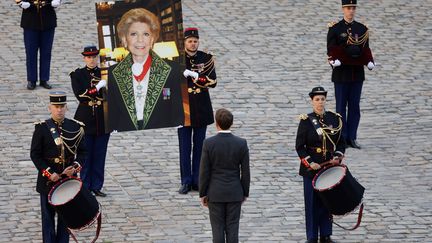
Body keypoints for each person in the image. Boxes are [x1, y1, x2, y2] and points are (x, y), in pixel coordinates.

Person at [106, 8, 184, 131]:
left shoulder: (171, 70)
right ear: (125, 39)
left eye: (146, 34)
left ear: (152, 39)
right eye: (133, 34)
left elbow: (177, 114)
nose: (140, 40)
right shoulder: (113, 73)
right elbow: (113, 115)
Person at [30, 91, 86, 243]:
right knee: (47, 219)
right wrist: (49, 173)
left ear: (66, 107)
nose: (59, 109)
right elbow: (35, 155)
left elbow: (83, 153)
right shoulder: (41, 129)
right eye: (56, 106)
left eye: (62, 106)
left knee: (65, 219)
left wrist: (74, 167)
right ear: (50, 108)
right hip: (47, 182)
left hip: (68, 181)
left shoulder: (75, 127)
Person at [295, 87, 346, 243]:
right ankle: (311, 237)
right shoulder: (306, 121)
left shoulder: (334, 119)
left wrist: (337, 157)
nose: (320, 102)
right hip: (311, 170)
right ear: (312, 101)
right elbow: (299, 146)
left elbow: (341, 143)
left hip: (328, 168)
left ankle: (326, 234)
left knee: (327, 202)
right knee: (311, 203)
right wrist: (311, 162)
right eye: (317, 100)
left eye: (322, 99)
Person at [327, 0, 375, 149]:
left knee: (354, 107)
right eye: (348, 8)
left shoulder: (361, 29)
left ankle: (352, 137)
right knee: (340, 107)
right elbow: (331, 50)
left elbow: (365, 49)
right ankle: (342, 138)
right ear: (343, 9)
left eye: (353, 8)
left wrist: (369, 61)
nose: (351, 11)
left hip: (356, 75)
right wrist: (334, 62)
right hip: (341, 75)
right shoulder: (335, 28)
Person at [199, 108, 250, 243]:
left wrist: (202, 193)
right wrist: (244, 192)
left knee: (217, 230)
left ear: (216, 123)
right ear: (231, 123)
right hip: (234, 192)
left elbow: (204, 171)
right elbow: (245, 172)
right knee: (233, 229)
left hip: (215, 193)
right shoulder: (241, 143)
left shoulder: (209, 143)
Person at [178, 27, 217, 194]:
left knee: (200, 147)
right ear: (185, 42)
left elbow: (213, 81)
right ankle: (186, 181)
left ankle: (198, 180)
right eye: (190, 41)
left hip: (201, 107)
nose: (193, 44)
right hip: (183, 108)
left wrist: (195, 76)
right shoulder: (177, 59)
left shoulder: (205, 58)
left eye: (195, 41)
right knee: (184, 147)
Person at [70, 45, 110, 197]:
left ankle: (97, 185)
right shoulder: (77, 75)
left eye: (94, 57)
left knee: (100, 155)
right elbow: (81, 95)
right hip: (85, 119)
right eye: (89, 57)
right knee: (85, 155)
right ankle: (85, 186)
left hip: (103, 119)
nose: (92, 60)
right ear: (84, 58)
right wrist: (98, 87)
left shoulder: (104, 74)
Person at [16, 0, 62, 90]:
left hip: (48, 18)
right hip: (30, 18)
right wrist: (20, 2)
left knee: (46, 52)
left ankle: (44, 79)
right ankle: (31, 79)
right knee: (30, 52)